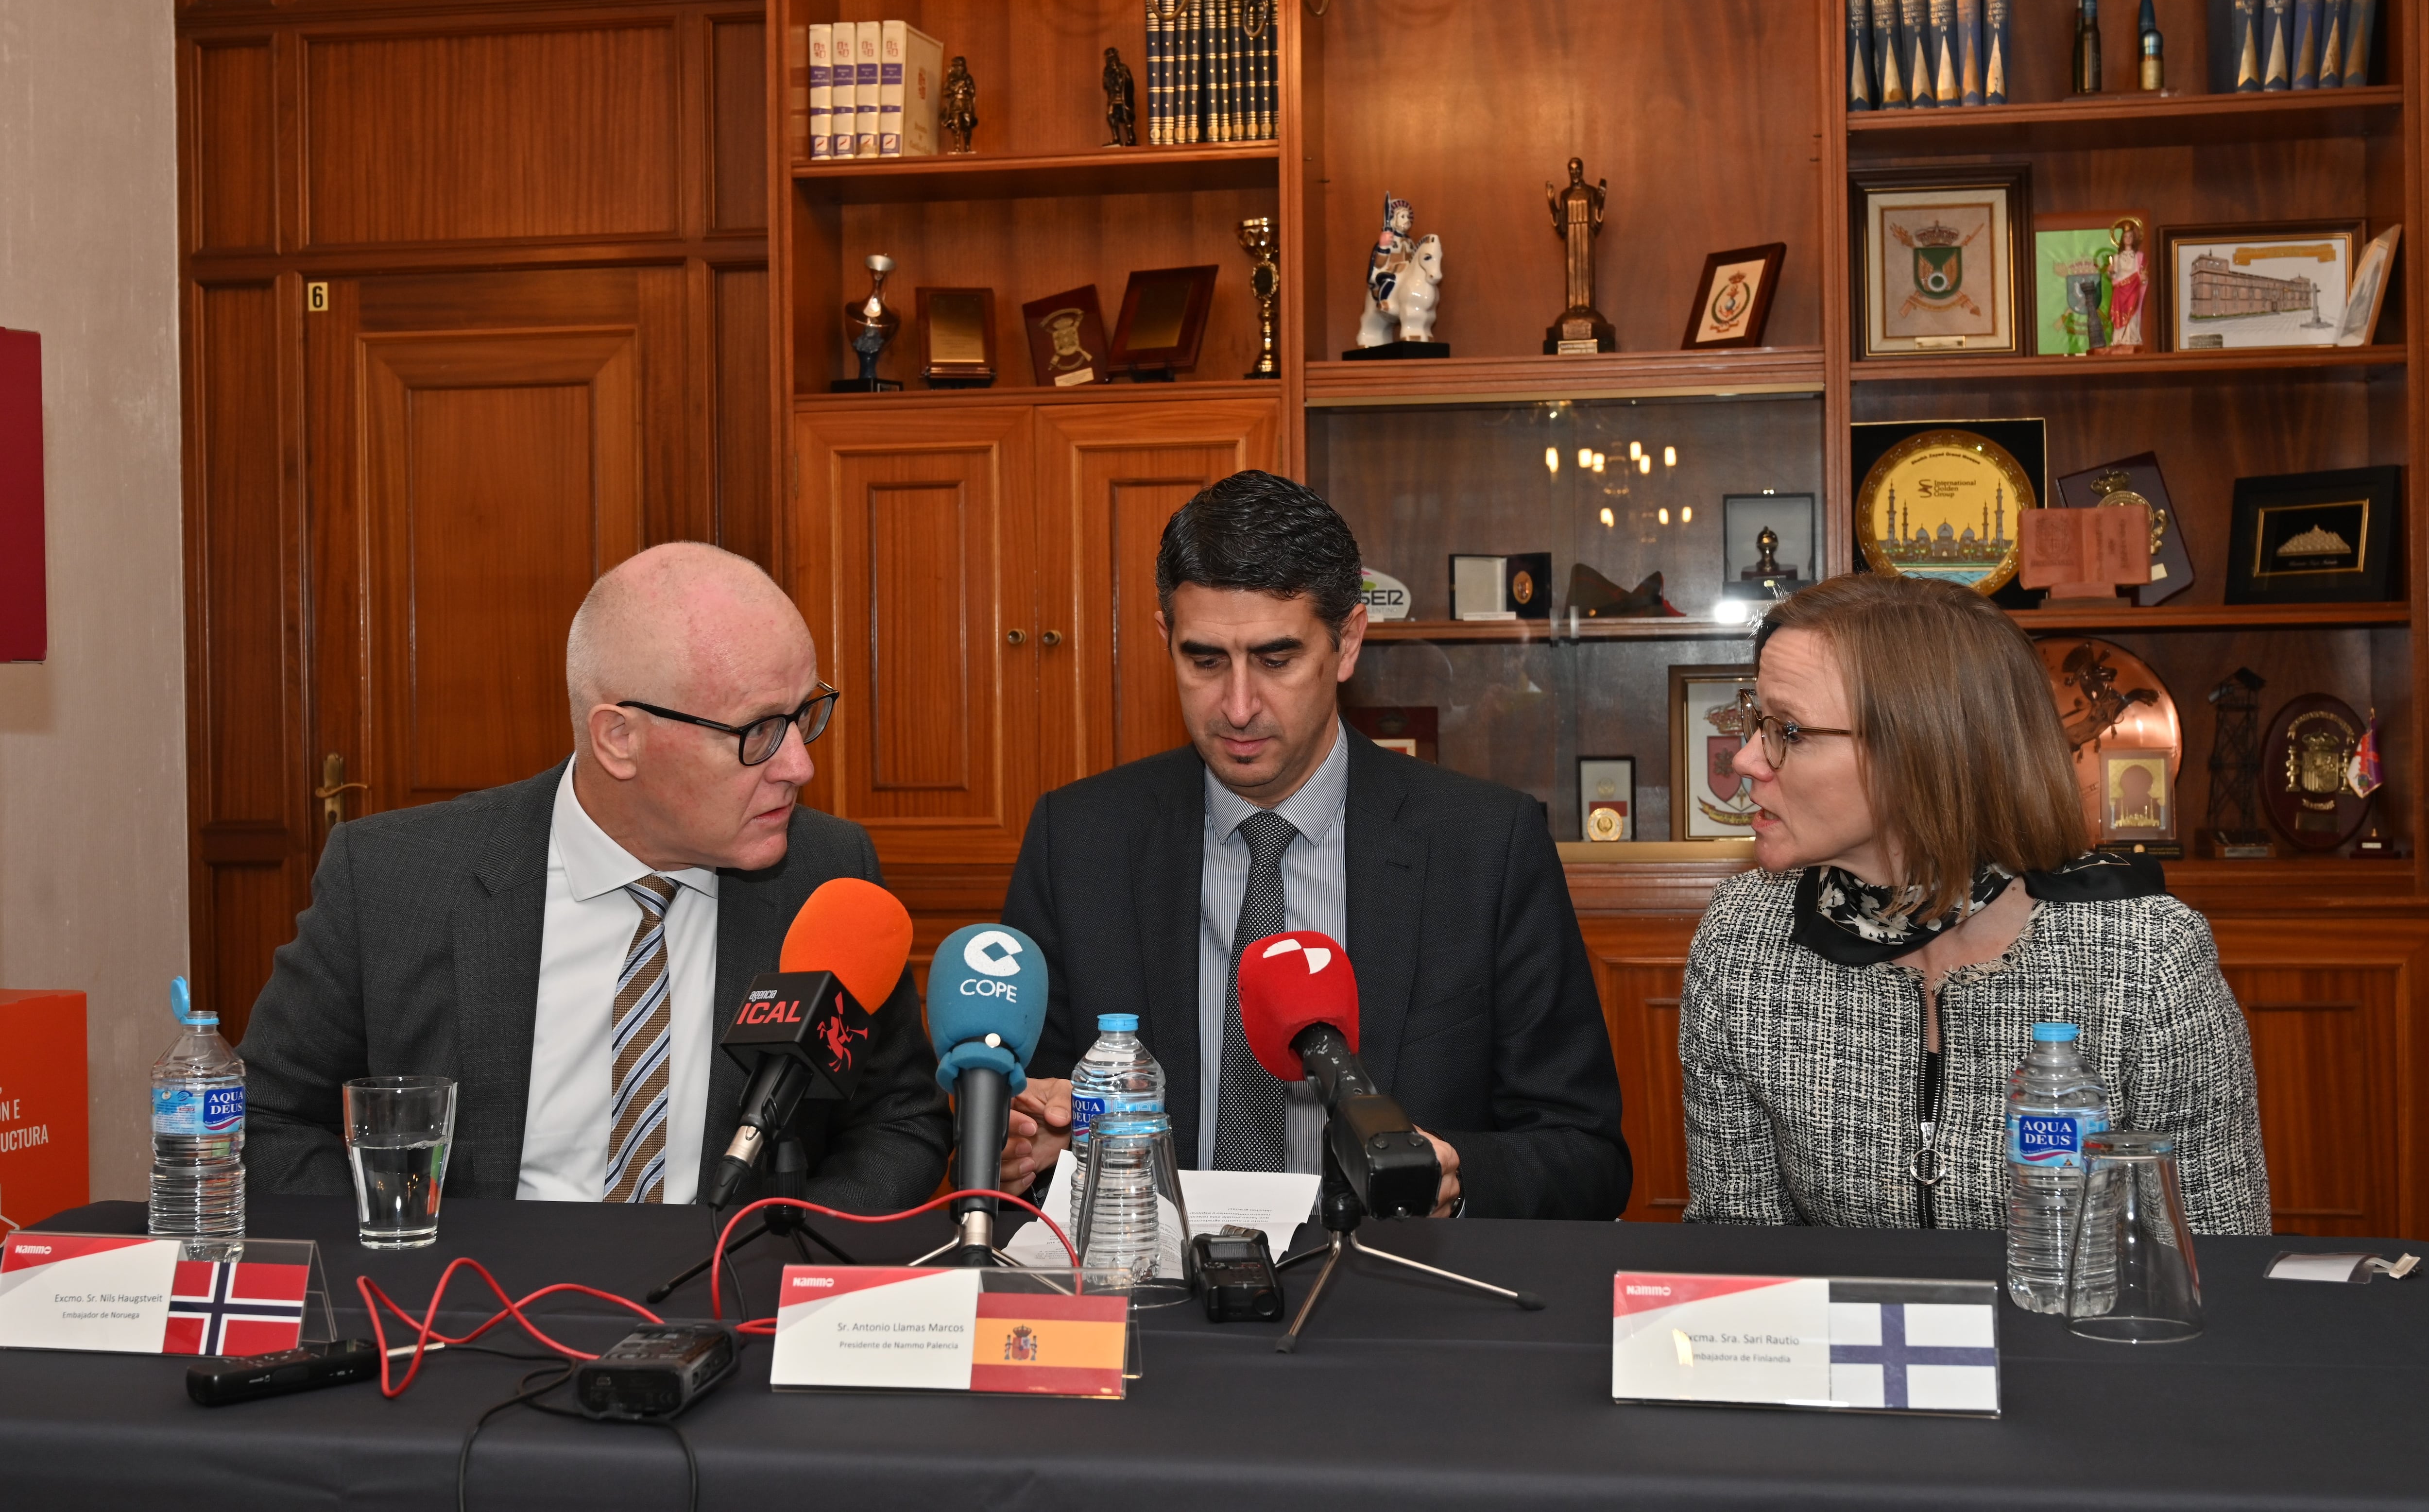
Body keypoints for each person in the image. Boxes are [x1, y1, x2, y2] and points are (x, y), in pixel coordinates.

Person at [239, 543, 950, 1210]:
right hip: (467, 1308)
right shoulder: (395, 880)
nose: (799, 764)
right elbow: (266, 1118)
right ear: (620, 739)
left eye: (804, 715)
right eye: (758, 730)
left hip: (733, 1310)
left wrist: (784, 1262)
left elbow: (900, 1120)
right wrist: (403, 1249)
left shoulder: (828, 880)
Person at [998, 471, 1630, 1219]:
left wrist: (1459, 1179)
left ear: (1349, 640)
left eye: (1276, 659)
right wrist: (1016, 1134)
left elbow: (1585, 1154)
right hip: (1153, 1296)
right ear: (1165, 640)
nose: (1237, 707)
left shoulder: (1487, 848)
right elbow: (1013, 1116)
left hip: (1392, 1299)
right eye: (1204, 661)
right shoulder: (1078, 842)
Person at [1680, 573, 2270, 1233]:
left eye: (1788, 728)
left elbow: (2216, 1262)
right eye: (1758, 720)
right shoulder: (1744, 936)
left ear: (1923, 752)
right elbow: (1736, 1244)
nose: (1746, 759)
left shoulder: (2145, 961)